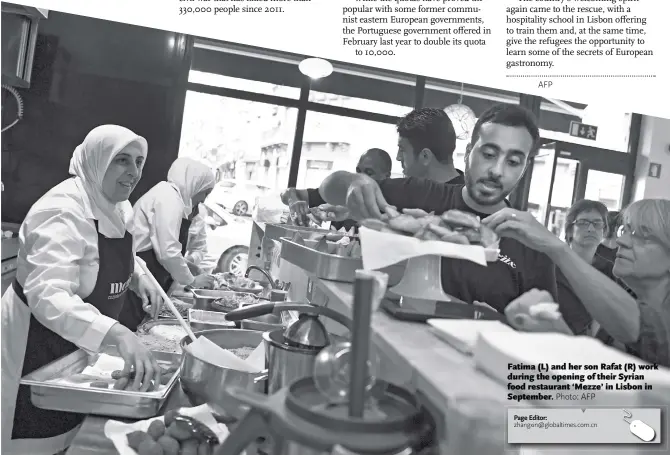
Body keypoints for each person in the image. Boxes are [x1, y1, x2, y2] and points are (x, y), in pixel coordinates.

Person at [1, 125, 163, 455]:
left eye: (139, 162)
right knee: (27, 438)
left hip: (76, 348)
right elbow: (49, 295)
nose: (133, 172)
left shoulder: (118, 206)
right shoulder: (61, 211)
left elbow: (112, 256)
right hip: (33, 344)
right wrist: (118, 334)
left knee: (65, 434)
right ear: (97, 160)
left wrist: (140, 276)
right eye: (121, 160)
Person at [318, 103, 559, 314]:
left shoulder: (533, 247)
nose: (497, 170)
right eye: (488, 154)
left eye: (513, 162)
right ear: (467, 153)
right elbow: (329, 188)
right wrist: (354, 182)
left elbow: (545, 337)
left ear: (524, 170)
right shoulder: (421, 195)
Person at [487, 199, 670, 367]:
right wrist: (559, 333)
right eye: (625, 230)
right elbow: (603, 372)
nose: (621, 240)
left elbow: (638, 328)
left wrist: (556, 248)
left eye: (643, 236)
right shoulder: (630, 295)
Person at [118, 158, 216, 331]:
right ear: (195, 184)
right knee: (131, 329)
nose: (203, 200)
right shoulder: (169, 198)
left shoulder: (169, 195)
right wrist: (192, 281)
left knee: (140, 326)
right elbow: (168, 252)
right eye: (204, 193)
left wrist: (188, 265)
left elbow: (162, 246)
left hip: (149, 271)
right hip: (141, 274)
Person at [281, 148, 392, 229]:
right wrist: (294, 201)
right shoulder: (343, 191)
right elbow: (287, 193)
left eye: (369, 173)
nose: (361, 177)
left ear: (387, 176)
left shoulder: (392, 203)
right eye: (358, 171)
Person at [554, 200, 614, 335]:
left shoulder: (609, 270)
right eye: (583, 223)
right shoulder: (552, 263)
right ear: (569, 230)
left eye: (597, 224)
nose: (591, 229)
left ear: (604, 231)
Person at [396, 107, 464, 183]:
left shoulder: (467, 194)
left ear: (425, 156)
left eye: (402, 150)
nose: (398, 157)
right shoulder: (416, 189)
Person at [182, 200, 228, 276]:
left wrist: (189, 260)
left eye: (208, 193)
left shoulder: (198, 216)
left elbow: (200, 249)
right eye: (205, 192)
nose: (203, 199)